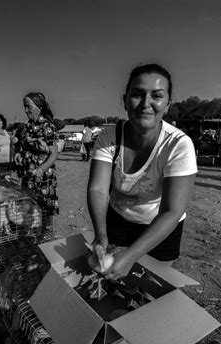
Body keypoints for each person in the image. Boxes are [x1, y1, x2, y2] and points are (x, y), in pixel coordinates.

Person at [87, 63, 197, 280]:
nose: (146, 104)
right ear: (125, 99)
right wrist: (101, 234)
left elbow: (171, 211)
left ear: (167, 104)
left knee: (151, 288)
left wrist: (131, 255)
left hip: (160, 229)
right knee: (113, 285)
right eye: (137, 94)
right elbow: (98, 189)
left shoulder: (178, 145)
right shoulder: (109, 137)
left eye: (156, 96)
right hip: (117, 221)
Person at [13, 92, 59, 215]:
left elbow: (54, 153)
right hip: (28, 172)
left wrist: (42, 169)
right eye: (25, 106)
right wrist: (18, 153)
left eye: (29, 106)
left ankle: (45, 232)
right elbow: (19, 142)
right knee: (28, 207)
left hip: (43, 175)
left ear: (40, 107)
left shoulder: (47, 126)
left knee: (43, 207)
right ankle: (32, 231)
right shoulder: (26, 126)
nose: (26, 110)